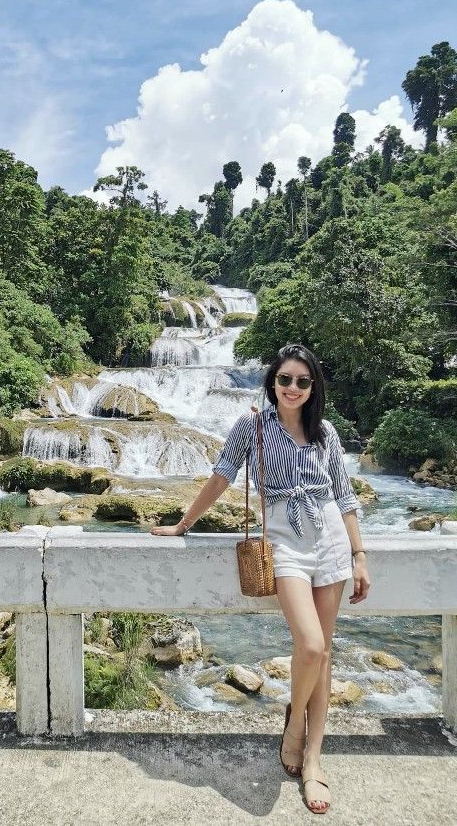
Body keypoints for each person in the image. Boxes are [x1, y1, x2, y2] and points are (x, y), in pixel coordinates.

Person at [151, 342, 371, 815]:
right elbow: (221, 477)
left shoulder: (325, 432)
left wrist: (359, 554)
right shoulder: (252, 426)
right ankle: (294, 728)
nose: (292, 388)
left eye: (302, 381)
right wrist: (183, 524)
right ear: (272, 382)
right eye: (285, 379)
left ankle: (313, 759)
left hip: (329, 537)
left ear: (314, 388)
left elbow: (345, 496)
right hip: (285, 543)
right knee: (310, 644)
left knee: (325, 650)